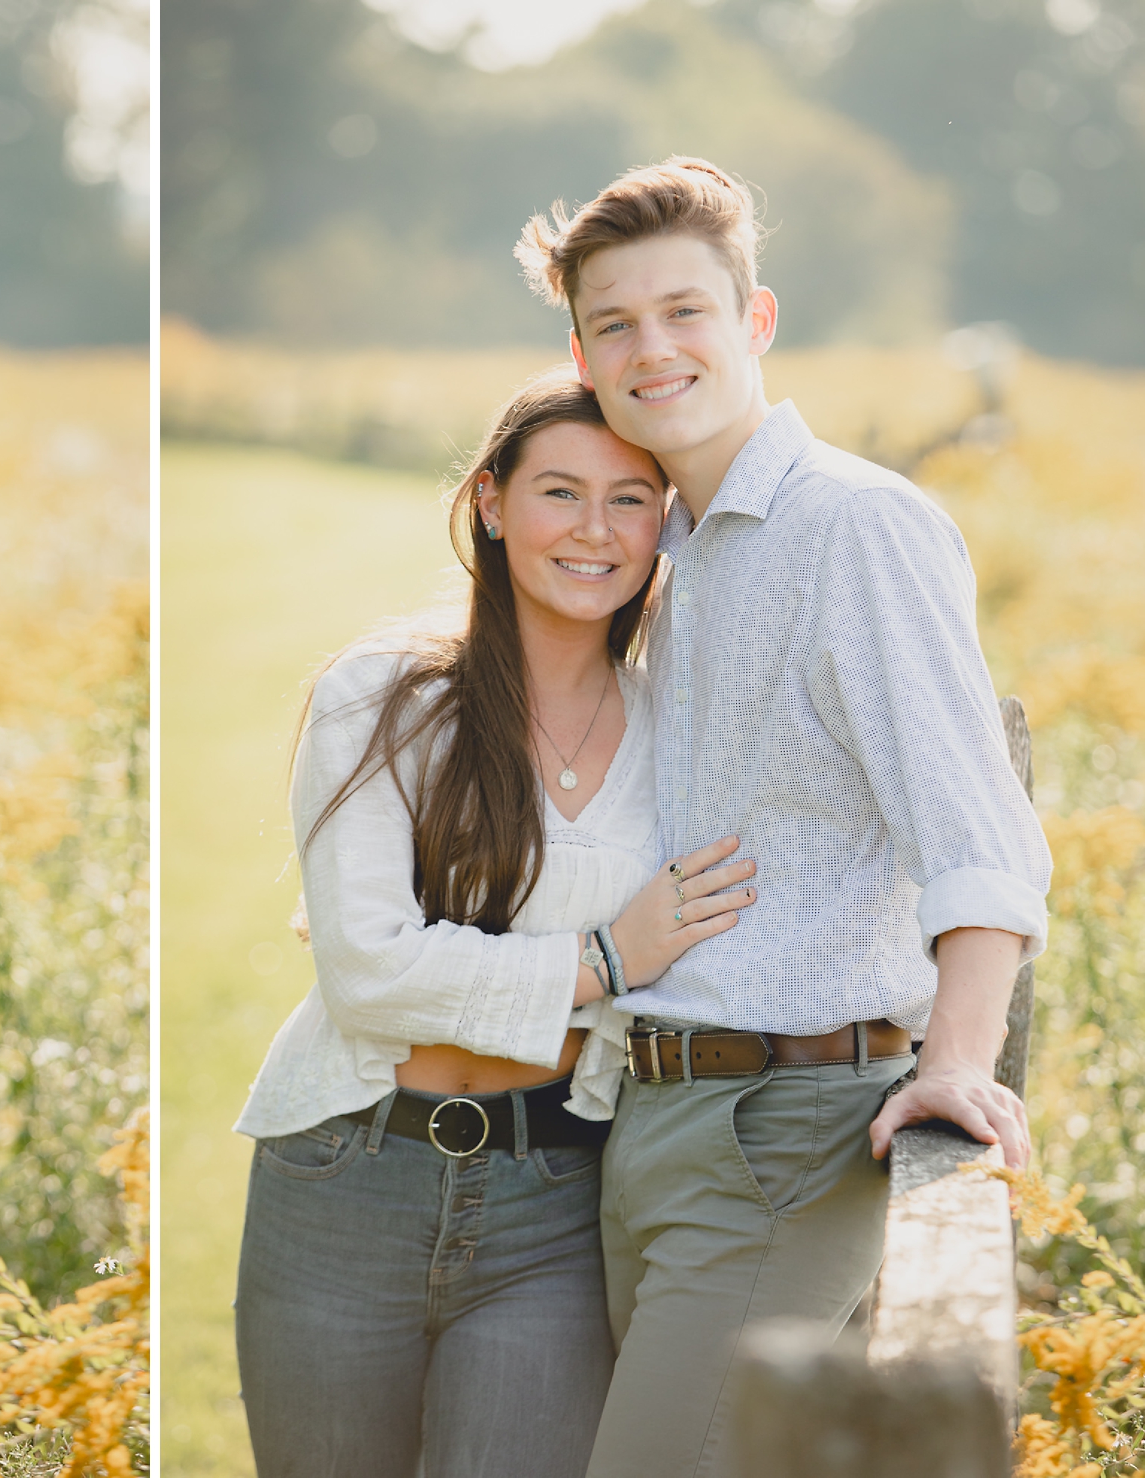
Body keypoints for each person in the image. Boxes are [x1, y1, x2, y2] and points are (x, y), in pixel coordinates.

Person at [512, 157, 1053, 1478]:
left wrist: (957, 1065)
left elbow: (978, 836)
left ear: (755, 320)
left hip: (790, 1129)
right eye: (616, 323)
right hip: (653, 1121)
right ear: (582, 350)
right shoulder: (670, 552)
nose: (654, 348)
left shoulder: (855, 526)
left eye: (686, 310)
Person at [232, 368, 760, 1478]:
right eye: (559, 491)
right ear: (489, 500)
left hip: (561, 1195)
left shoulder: (686, 730)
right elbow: (368, 973)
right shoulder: (381, 698)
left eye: (631, 497)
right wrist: (607, 957)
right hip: (344, 1175)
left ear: (666, 519)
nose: (595, 529)